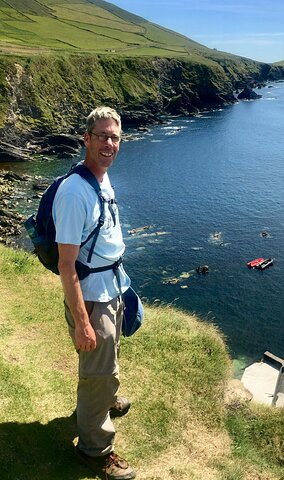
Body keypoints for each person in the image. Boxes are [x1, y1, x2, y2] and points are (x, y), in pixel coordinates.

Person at [54, 107, 136, 480]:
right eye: (101, 136)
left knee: (109, 357)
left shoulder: (100, 178)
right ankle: (94, 449)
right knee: (97, 369)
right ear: (86, 138)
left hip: (112, 286)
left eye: (115, 137)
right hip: (91, 295)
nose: (109, 144)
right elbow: (67, 265)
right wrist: (82, 323)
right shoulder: (75, 192)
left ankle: (102, 402)